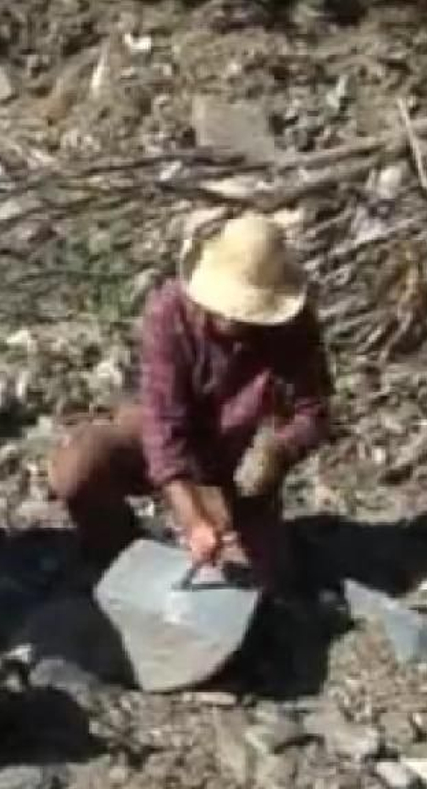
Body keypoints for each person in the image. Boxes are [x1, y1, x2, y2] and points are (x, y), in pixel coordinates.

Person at [47, 212, 333, 589]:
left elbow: (314, 412)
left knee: (249, 583)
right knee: (78, 468)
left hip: (234, 463)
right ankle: (119, 558)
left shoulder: (293, 329)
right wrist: (193, 519)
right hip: (165, 436)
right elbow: (162, 424)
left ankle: (245, 541)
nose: (235, 319)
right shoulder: (170, 312)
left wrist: (279, 450)